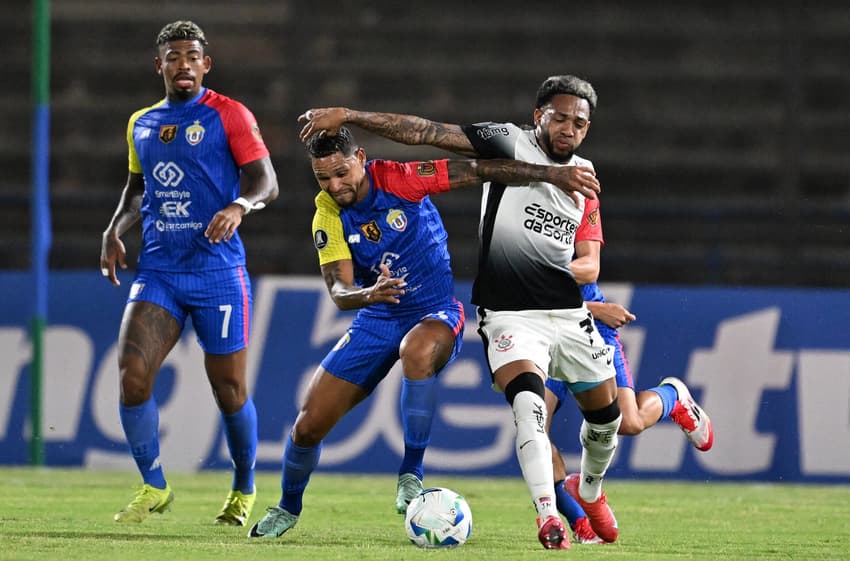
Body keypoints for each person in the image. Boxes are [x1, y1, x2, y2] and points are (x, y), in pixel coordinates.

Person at [297, 75, 634, 550]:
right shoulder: (508, 140)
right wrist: (349, 114)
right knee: (529, 409)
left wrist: (585, 299)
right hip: (511, 316)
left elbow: (590, 262)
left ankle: (590, 490)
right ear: (540, 116)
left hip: (568, 313)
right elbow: (426, 132)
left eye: (578, 122)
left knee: (612, 421)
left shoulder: (586, 176)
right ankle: (547, 519)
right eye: (559, 117)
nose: (568, 128)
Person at [247, 126, 601, 540]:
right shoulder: (326, 211)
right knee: (307, 426)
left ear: (361, 157)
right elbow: (339, 292)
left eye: (341, 172)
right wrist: (369, 293)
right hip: (376, 316)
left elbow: (478, 169)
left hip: (435, 310)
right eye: (323, 177)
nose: (335, 185)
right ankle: (287, 508)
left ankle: (410, 473)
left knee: (416, 352)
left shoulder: (400, 178)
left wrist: (550, 174)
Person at [99, 20, 279, 526]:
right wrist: (115, 227)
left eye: (192, 56)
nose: (184, 64)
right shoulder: (142, 122)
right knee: (133, 378)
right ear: (159, 65)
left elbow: (267, 181)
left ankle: (243, 489)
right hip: (159, 270)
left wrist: (240, 205)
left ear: (206, 64)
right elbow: (139, 189)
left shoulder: (230, 115)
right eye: (173, 56)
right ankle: (154, 485)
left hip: (218, 272)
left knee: (229, 391)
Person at [546, 281, 715, 544]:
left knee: (628, 422)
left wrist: (585, 306)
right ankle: (580, 521)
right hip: (543, 335)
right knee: (534, 429)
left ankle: (673, 396)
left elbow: (589, 266)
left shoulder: (568, 241)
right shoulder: (502, 242)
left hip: (589, 330)